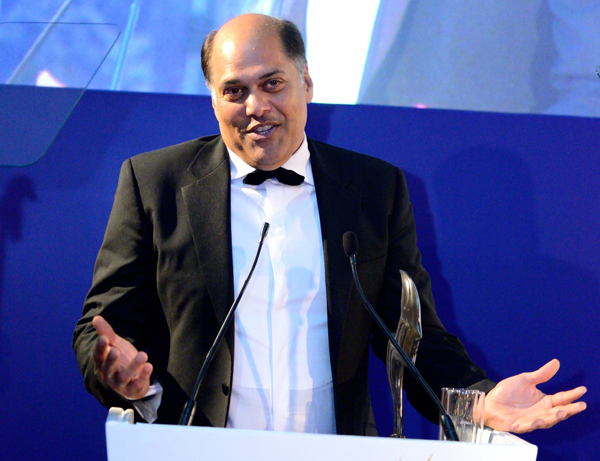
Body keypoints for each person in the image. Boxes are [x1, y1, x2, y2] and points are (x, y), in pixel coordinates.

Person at [73, 13, 586, 435]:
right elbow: (101, 328)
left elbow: (412, 337)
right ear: (213, 100)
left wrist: (479, 401)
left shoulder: (373, 190)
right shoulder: (154, 183)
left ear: (307, 83)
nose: (256, 107)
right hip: (192, 448)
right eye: (234, 90)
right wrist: (114, 368)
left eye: (272, 83)